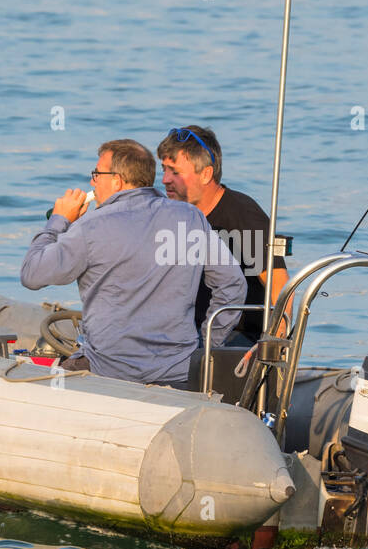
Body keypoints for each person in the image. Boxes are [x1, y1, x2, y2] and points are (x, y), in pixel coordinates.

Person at [20, 139, 246, 388]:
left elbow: (32, 274)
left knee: (32, 380)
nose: (92, 182)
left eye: (96, 174)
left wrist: (59, 220)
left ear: (117, 180)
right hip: (179, 370)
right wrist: (206, 347)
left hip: (108, 369)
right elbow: (232, 285)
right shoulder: (190, 218)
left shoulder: (90, 226)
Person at [157, 125, 290, 346]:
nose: (164, 180)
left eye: (175, 172)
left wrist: (274, 345)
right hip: (185, 331)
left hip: (238, 335)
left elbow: (279, 285)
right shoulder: (174, 213)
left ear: (206, 174)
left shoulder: (242, 215)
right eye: (164, 170)